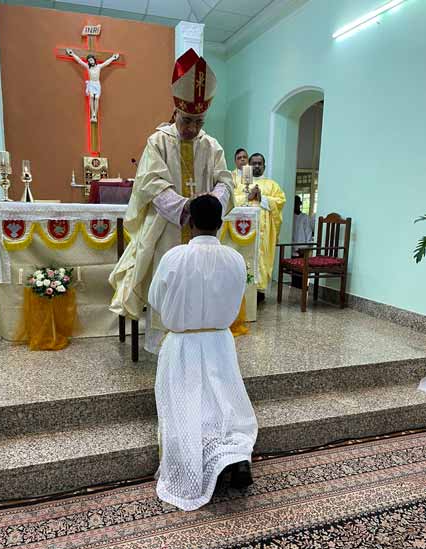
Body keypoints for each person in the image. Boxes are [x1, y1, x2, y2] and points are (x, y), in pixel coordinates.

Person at [109, 49, 233, 354]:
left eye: (199, 121)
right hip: (167, 226)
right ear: (176, 112)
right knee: (167, 281)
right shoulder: (158, 142)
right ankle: (165, 347)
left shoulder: (212, 146)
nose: (192, 128)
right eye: (187, 120)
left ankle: (202, 341)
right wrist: (186, 206)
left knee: (204, 285)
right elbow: (150, 183)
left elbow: (226, 181)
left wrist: (211, 203)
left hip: (204, 230)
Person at [148, 194, 258, 511]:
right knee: (223, 402)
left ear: (190, 223)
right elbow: (238, 295)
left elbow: (155, 299)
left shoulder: (174, 257)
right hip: (220, 342)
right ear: (220, 223)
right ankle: (234, 455)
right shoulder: (235, 259)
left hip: (183, 344)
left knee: (186, 405)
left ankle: (200, 458)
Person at [234, 153, 286, 302]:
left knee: (261, 258)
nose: (257, 166)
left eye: (259, 163)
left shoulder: (272, 185)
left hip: (264, 231)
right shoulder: (241, 184)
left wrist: (262, 198)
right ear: (248, 166)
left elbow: (280, 201)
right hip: (244, 229)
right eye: (254, 163)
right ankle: (242, 290)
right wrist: (248, 197)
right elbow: (233, 200)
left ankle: (259, 292)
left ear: (264, 166)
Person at [65, 49, 120, 122]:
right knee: (91, 96)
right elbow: (79, 61)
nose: (91, 61)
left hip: (97, 84)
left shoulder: (99, 67)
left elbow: (106, 63)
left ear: (94, 60)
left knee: (96, 98)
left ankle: (94, 115)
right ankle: (93, 114)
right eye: (89, 61)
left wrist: (113, 58)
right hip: (91, 83)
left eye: (91, 60)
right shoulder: (88, 67)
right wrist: (72, 54)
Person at [292, 195, 314, 288]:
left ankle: (303, 289)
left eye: (297, 203)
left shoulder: (305, 218)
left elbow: (309, 234)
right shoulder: (290, 217)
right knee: (294, 275)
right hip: (292, 250)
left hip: (302, 250)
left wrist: (305, 249)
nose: (296, 205)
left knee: (302, 274)